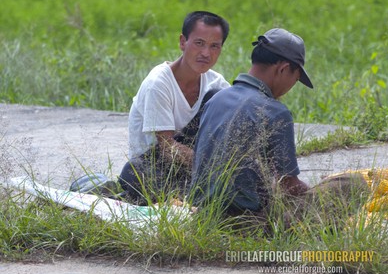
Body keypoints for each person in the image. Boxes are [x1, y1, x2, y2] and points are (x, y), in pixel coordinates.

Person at [190, 28, 367, 227]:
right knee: (353, 184)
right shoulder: (274, 112)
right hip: (247, 225)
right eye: (295, 78)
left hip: (204, 217)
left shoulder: (215, 98)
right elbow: (288, 187)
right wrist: (310, 189)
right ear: (283, 69)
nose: (292, 86)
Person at [118, 11, 230, 203]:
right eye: (199, 43)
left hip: (194, 165)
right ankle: (196, 192)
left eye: (214, 46)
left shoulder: (215, 82)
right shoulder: (158, 83)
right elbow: (167, 146)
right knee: (133, 173)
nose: (206, 53)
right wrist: (210, 169)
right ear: (182, 42)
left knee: (222, 98)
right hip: (156, 164)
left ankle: (194, 192)